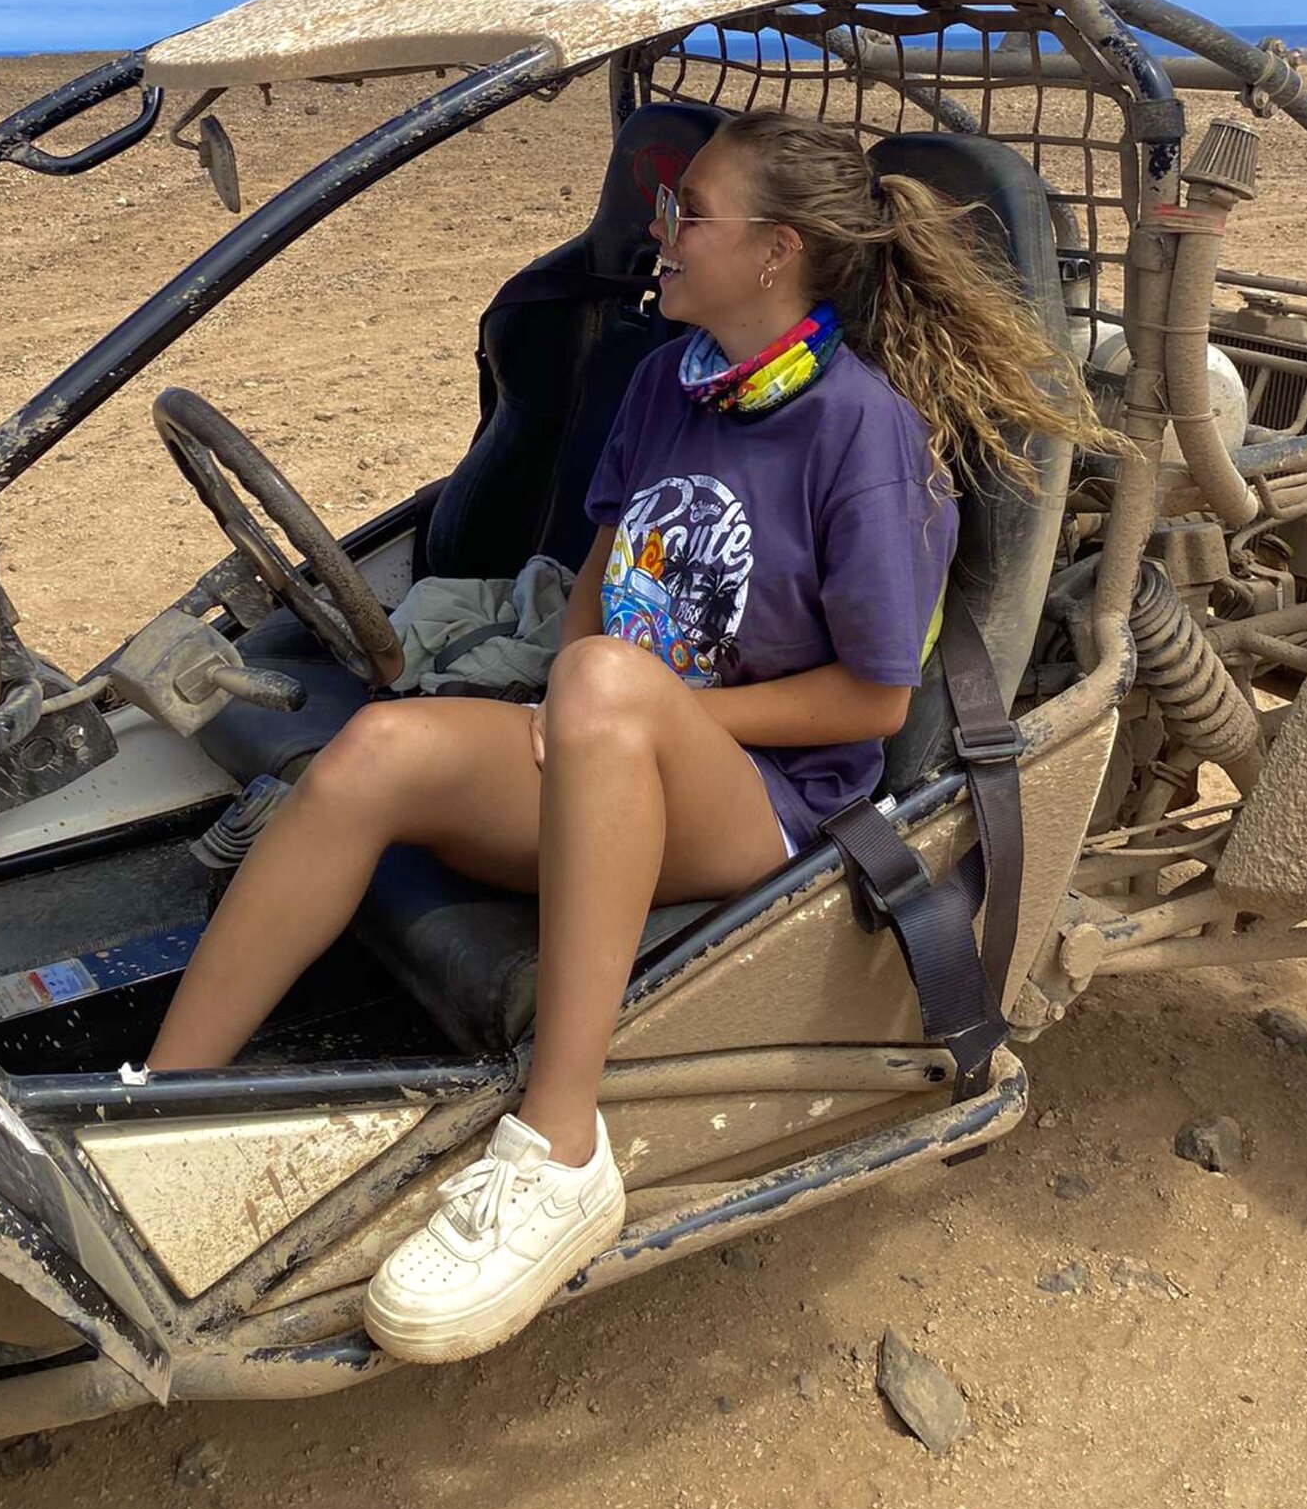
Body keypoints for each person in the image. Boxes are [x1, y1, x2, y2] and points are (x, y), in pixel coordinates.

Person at [145, 109, 1102, 1364]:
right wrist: (573, 695)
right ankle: (167, 1121)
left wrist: (633, 705)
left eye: (691, 213)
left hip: (763, 798)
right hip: (612, 739)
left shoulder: (863, 435)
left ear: (776, 251)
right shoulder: (673, 379)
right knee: (377, 750)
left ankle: (558, 1147)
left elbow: (871, 702)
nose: (665, 232)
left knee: (600, 680)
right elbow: (607, 557)